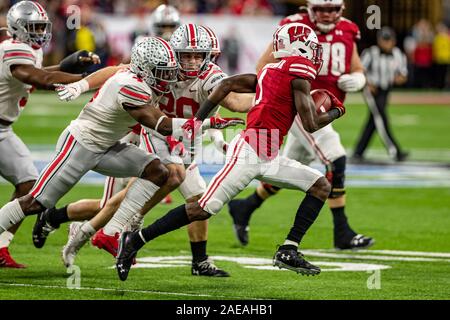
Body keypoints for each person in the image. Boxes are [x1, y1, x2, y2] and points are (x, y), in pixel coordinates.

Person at [115, 22, 347, 281]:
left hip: (267, 152)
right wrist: (337, 110)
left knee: (319, 186)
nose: (315, 53)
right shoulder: (297, 68)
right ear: (300, 47)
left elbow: (225, 85)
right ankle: (135, 241)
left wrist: (198, 120)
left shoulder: (272, 70)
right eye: (312, 47)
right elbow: (311, 123)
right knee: (201, 209)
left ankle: (288, 249)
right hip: (249, 153)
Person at [42, 25, 251, 277]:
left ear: (209, 56)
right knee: (170, 175)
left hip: (186, 139)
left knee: (198, 200)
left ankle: (198, 261)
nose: (193, 61)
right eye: (186, 55)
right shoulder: (164, 66)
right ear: (175, 53)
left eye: (198, 55)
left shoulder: (211, 76)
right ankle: (119, 228)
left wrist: (267, 96)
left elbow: (235, 102)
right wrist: (82, 84)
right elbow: (115, 72)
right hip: (156, 132)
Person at [0, 37, 229, 253]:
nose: (168, 78)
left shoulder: (136, 74)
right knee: (35, 203)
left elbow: (113, 70)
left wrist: (81, 85)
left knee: (158, 172)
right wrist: (208, 124)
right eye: (162, 72)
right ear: (145, 70)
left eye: (169, 71)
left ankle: (111, 232)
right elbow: (162, 125)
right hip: (82, 145)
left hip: (109, 146)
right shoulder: (130, 85)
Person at [227, 0, 374, 250]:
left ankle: (244, 207)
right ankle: (342, 231)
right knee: (335, 156)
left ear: (342, 9)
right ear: (309, 8)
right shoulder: (295, 27)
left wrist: (359, 78)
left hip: (318, 107)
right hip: (300, 108)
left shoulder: (348, 29)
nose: (327, 15)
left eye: (332, 10)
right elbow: (264, 67)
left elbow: (357, 66)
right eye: (321, 10)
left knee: (284, 166)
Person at [0, 1, 99, 268]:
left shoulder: (28, 50)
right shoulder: (13, 49)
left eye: (42, 27)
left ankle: (0, 246)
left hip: (3, 129)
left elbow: (41, 74)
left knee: (28, 183)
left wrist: (72, 67)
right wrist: (90, 80)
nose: (39, 32)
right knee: (29, 184)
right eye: (33, 27)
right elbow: (40, 80)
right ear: (17, 28)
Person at [353, 27, 408, 161]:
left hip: (385, 90)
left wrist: (399, 78)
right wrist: (367, 83)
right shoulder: (370, 53)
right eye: (384, 40)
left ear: (394, 41)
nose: (386, 43)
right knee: (380, 118)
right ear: (379, 40)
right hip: (372, 89)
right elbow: (359, 70)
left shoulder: (398, 54)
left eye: (389, 40)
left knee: (373, 120)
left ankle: (359, 151)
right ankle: (395, 150)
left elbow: (403, 74)